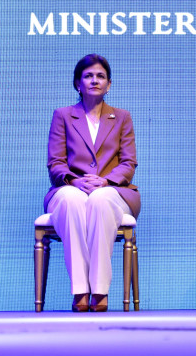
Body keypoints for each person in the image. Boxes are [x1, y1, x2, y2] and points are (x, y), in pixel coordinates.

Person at [44, 54, 140, 312]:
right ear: (78, 83)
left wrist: (105, 181)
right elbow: (55, 162)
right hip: (71, 187)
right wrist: (75, 182)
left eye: (100, 76)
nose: (95, 80)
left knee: (99, 199)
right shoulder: (63, 116)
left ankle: (99, 291)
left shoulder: (122, 117)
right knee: (72, 199)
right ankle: (80, 291)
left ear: (109, 84)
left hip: (113, 190)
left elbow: (128, 163)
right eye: (88, 76)